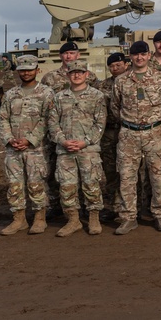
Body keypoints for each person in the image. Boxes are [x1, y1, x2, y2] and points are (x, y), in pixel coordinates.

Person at [110, 40, 161, 235]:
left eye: (143, 54)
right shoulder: (121, 81)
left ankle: (160, 214)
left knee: (157, 174)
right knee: (127, 176)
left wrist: (153, 123)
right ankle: (129, 217)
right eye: (135, 54)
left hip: (154, 133)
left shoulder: (160, 78)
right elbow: (115, 107)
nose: (139, 57)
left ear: (148, 55)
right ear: (130, 56)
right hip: (129, 133)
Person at [47, 60, 107, 237]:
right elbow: (52, 123)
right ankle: (73, 220)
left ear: (87, 74)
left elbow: (100, 124)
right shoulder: (59, 97)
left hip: (88, 150)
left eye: (80, 72)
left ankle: (94, 218)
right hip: (65, 151)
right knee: (67, 187)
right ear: (68, 75)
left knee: (91, 184)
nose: (77, 75)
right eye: (73, 72)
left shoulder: (97, 96)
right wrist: (62, 141)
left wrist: (85, 142)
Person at [0, 55, 54, 236]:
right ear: (18, 71)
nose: (26, 73)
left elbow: (47, 120)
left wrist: (29, 140)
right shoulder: (10, 94)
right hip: (13, 149)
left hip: (36, 149)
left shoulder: (46, 93)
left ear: (37, 70)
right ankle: (19, 219)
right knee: (14, 185)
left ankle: (39, 218)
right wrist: (9, 139)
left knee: (36, 184)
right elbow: (3, 119)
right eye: (23, 70)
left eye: (30, 69)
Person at [97, 52, 129, 220]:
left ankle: (131, 207)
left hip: (128, 131)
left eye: (118, 65)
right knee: (110, 171)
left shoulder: (132, 82)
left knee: (129, 172)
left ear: (125, 64)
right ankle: (113, 207)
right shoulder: (103, 85)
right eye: (112, 66)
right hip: (109, 132)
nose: (115, 68)